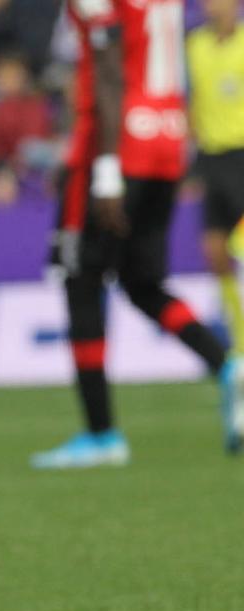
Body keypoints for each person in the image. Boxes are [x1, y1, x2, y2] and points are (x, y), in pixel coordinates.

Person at [34, 0, 244, 468]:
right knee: (142, 282)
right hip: (166, 143)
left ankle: (101, 433)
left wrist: (106, 168)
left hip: (114, 147)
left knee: (81, 281)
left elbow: (108, 67)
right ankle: (228, 363)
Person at [187, 0, 244, 359]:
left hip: (243, 151)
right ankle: (240, 339)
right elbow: (190, 100)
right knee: (215, 252)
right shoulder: (194, 45)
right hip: (211, 157)